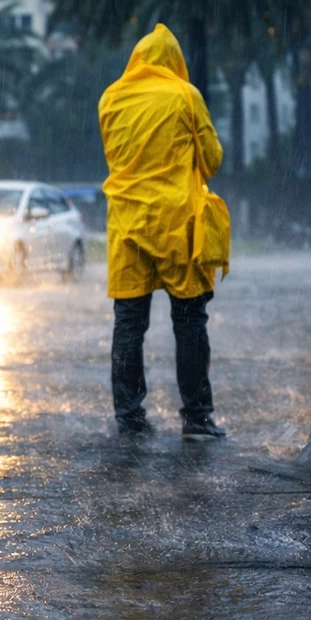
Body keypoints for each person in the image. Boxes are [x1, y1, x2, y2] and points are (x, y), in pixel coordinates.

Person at [98, 24, 231, 441]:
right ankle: (195, 418)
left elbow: (117, 155)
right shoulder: (185, 96)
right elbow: (211, 161)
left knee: (129, 324)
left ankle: (130, 417)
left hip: (127, 227)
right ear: (175, 62)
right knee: (190, 322)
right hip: (178, 227)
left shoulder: (110, 97)